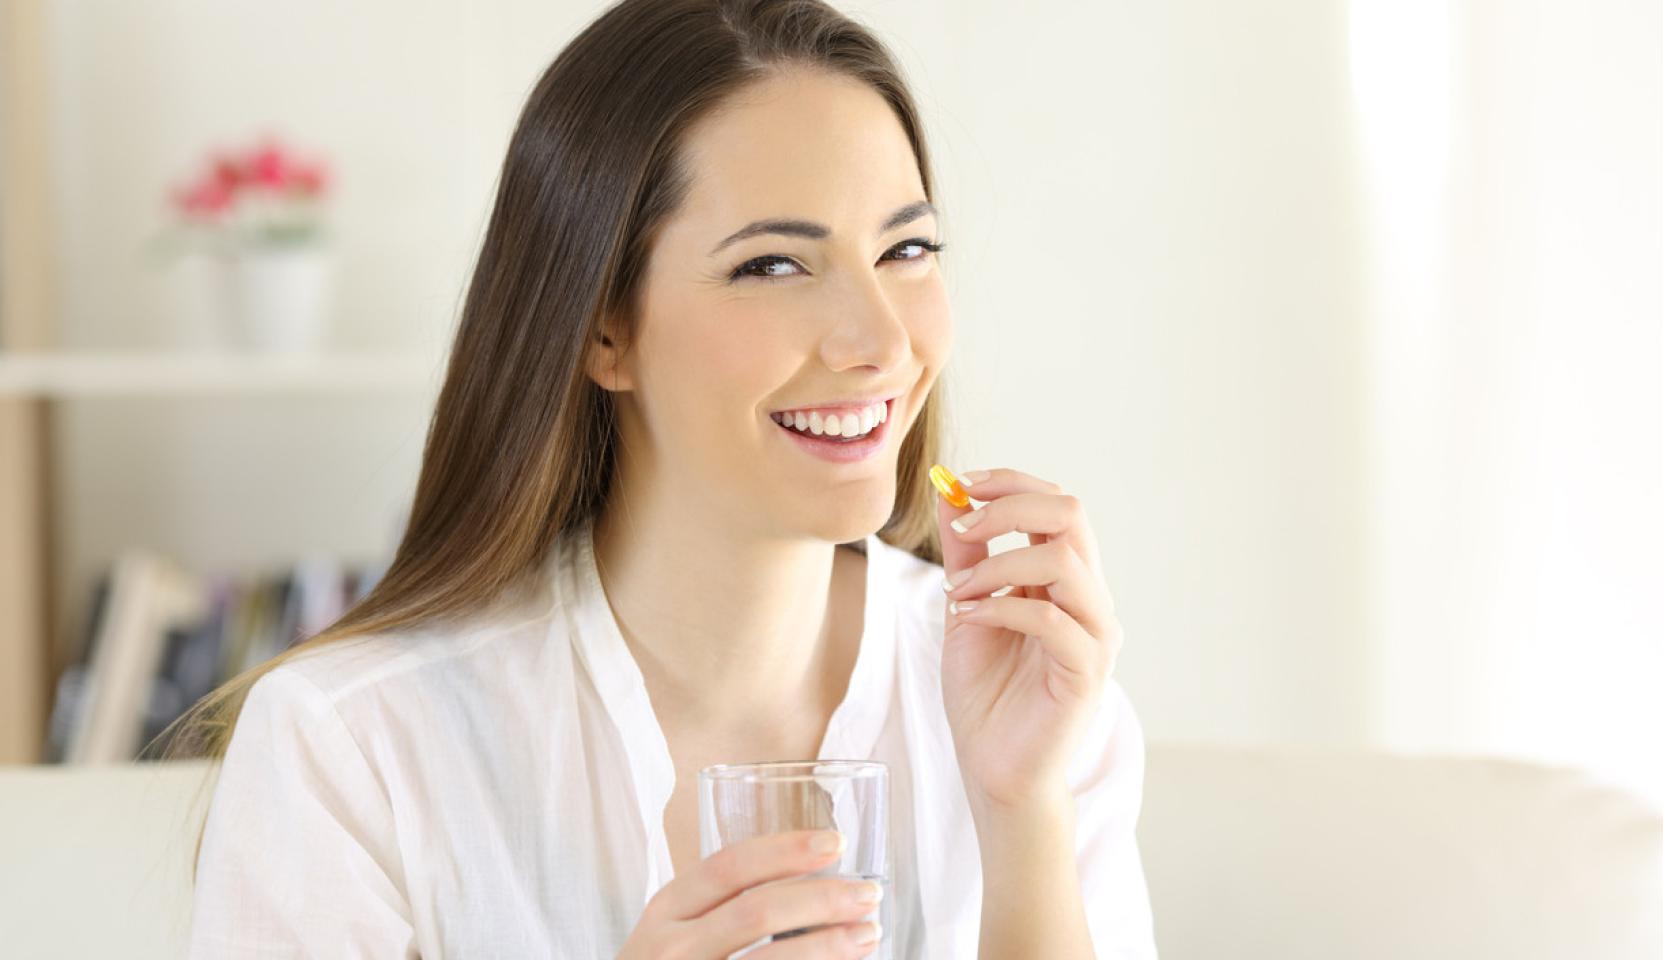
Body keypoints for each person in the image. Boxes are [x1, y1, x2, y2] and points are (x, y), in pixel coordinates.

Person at [170, 0, 1158, 956]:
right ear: (604, 328)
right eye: (773, 266)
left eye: (906, 249)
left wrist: (1020, 810)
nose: (882, 342)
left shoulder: (1032, 699)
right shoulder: (350, 748)